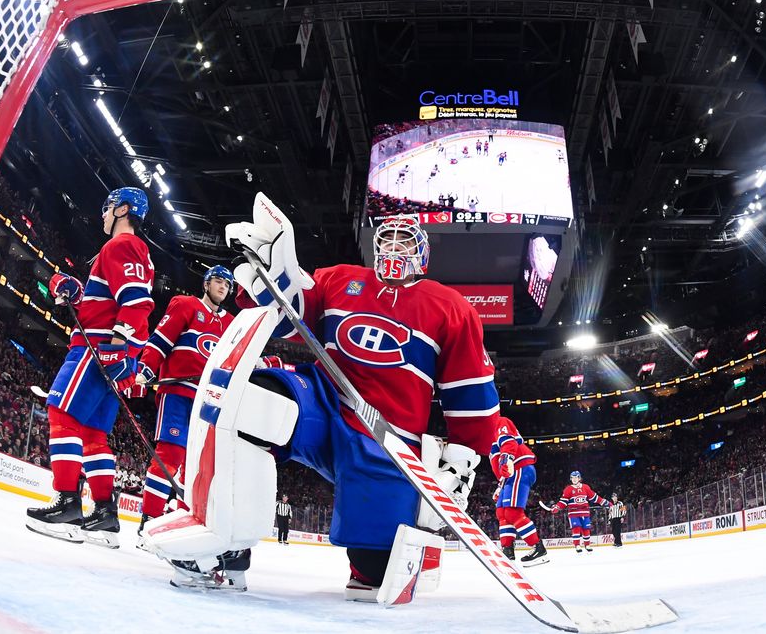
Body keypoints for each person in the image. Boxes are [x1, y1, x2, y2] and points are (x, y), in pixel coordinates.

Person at [142, 195, 501, 603]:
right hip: (324, 404)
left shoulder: (451, 307)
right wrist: (266, 280)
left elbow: (471, 392)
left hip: (385, 438)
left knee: (373, 580)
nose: (395, 248)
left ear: (423, 253)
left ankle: (382, 550)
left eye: (406, 241)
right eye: (389, 239)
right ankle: (225, 548)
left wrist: (461, 464)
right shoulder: (339, 278)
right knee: (255, 402)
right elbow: (288, 316)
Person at [26, 187, 155, 549]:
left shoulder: (121, 245)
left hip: (96, 349)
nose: (103, 214)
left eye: (108, 207)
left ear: (124, 210)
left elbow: (137, 302)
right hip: (111, 349)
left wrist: (116, 349)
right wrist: (78, 293)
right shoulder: (132, 252)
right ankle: (104, 512)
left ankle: (68, 504)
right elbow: (115, 299)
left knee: (61, 414)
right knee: (94, 435)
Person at [128, 265, 233, 532]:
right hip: (178, 392)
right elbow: (161, 340)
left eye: (227, 285)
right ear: (207, 284)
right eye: (218, 281)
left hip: (208, 402)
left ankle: (178, 525)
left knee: (195, 466)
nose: (223, 287)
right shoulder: (185, 305)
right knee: (170, 455)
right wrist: (146, 368)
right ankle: (148, 522)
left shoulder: (231, 323)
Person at [490, 415, 547, 566]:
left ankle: (538, 548)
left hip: (518, 467)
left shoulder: (498, 421)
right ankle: (507, 551)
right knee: (501, 512)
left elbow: (509, 442)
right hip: (509, 473)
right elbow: (498, 464)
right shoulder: (487, 435)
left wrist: (507, 459)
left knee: (512, 512)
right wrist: (500, 484)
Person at [547, 471, 609, 553]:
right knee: (576, 528)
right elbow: (563, 502)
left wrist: (605, 502)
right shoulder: (568, 489)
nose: (574, 479)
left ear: (579, 478)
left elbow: (594, 497)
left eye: (576, 477)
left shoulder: (586, 487)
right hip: (573, 513)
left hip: (585, 512)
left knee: (586, 528)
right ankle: (577, 545)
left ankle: (587, 544)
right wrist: (557, 507)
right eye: (572, 478)